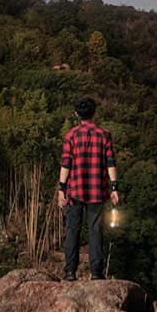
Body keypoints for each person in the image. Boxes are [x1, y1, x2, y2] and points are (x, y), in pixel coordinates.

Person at [56, 96, 118, 279]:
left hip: (75, 190)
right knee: (95, 230)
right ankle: (97, 273)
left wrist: (61, 188)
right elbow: (111, 163)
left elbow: (65, 164)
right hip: (98, 190)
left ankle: (69, 272)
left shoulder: (71, 136)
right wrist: (114, 188)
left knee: (72, 230)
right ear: (94, 113)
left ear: (77, 114)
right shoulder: (104, 135)